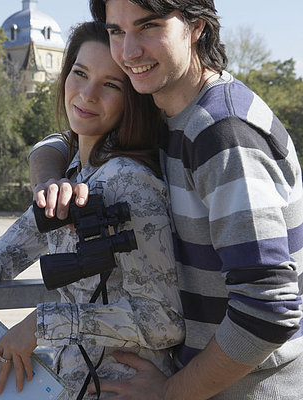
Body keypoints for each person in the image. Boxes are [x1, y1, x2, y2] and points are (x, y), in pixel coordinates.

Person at [29, 1, 303, 399]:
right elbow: (58, 140)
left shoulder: (222, 135)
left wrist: (170, 393)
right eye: (117, 31)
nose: (128, 52)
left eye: (148, 27)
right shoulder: (171, 114)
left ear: (198, 28)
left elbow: (268, 308)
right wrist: (50, 179)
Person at [0, 21, 184, 399]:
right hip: (73, 385)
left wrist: (42, 325)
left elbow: (164, 319)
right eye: (80, 74)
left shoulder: (131, 181)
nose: (88, 94)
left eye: (111, 84)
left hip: (123, 386)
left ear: (133, 99)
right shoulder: (73, 177)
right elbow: (9, 250)